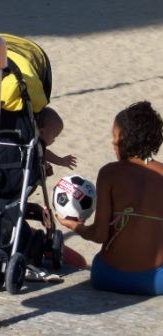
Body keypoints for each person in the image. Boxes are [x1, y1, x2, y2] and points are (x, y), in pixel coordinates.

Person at [56, 101, 163, 296]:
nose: (113, 142)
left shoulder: (109, 173)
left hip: (108, 277)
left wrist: (74, 226)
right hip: (155, 281)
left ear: (126, 139)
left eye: (115, 136)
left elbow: (99, 235)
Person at [36, 107, 77, 176]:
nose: (54, 140)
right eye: (54, 136)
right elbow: (44, 153)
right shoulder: (35, 146)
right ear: (41, 132)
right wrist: (61, 161)